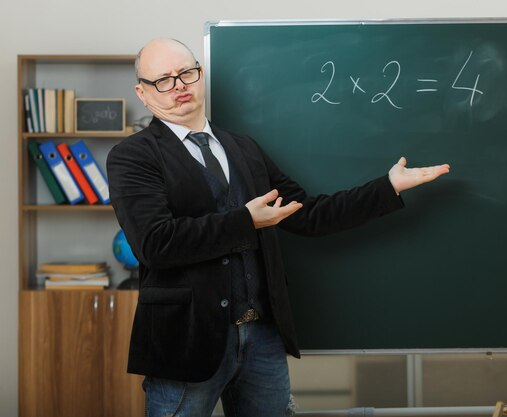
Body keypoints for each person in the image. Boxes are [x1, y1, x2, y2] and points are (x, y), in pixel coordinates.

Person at [106, 37, 450, 417]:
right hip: (187, 341)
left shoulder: (244, 148)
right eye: (164, 80)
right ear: (143, 91)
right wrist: (245, 221)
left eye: (187, 73)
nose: (179, 86)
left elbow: (308, 214)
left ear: (201, 74)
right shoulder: (132, 156)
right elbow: (156, 244)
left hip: (262, 339)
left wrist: (387, 188)